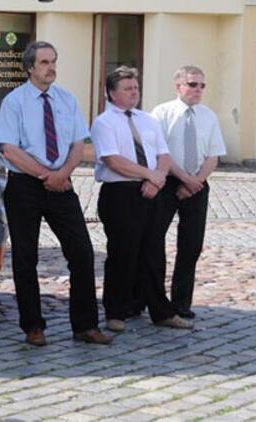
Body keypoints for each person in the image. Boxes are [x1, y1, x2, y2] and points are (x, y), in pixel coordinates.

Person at [0, 41, 112, 346]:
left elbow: (77, 145)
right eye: (45, 62)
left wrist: (62, 175)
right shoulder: (14, 102)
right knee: (25, 257)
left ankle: (85, 326)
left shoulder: (66, 99)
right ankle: (33, 326)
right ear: (30, 67)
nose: (51, 67)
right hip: (25, 187)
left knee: (82, 254)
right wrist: (47, 175)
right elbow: (8, 149)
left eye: (54, 61)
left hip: (62, 184)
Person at [90, 66, 193, 333]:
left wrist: (156, 179)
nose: (134, 92)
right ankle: (116, 311)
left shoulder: (148, 120)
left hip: (152, 191)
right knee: (122, 253)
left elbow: (164, 154)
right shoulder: (104, 122)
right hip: (120, 193)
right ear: (112, 93)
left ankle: (161, 311)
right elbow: (113, 160)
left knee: (153, 252)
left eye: (135, 88)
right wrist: (150, 175)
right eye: (127, 88)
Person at [151, 66, 226, 319]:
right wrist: (183, 179)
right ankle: (151, 298)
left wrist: (196, 182)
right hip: (168, 182)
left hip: (198, 183)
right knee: (153, 241)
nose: (198, 90)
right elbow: (161, 153)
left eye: (202, 86)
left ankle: (182, 302)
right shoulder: (162, 113)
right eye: (193, 84)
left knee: (191, 245)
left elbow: (213, 154)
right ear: (178, 86)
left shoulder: (209, 116)